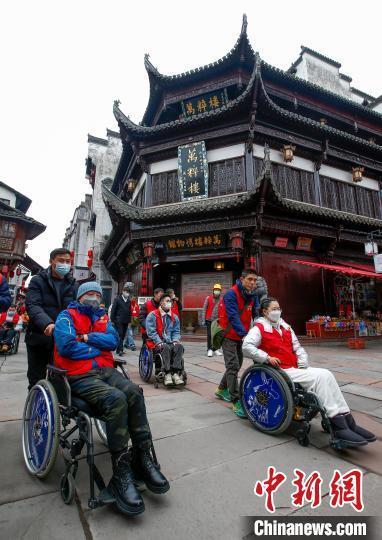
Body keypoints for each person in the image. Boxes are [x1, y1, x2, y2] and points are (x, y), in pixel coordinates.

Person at [54, 281, 169, 516]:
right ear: (80, 296)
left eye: (98, 293)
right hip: (79, 375)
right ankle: (120, 472)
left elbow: (112, 342)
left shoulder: (102, 317)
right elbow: (66, 346)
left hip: (106, 370)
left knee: (135, 392)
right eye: (90, 294)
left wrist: (85, 338)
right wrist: (96, 345)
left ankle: (142, 456)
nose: (95, 297)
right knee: (116, 399)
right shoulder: (65, 317)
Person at [242, 297, 376, 448]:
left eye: (279, 308)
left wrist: (302, 362)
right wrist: (266, 357)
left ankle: (347, 421)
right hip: (280, 370)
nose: (277, 311)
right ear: (265, 312)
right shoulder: (259, 328)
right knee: (319, 378)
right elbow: (246, 347)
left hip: (295, 367)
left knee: (327, 374)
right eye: (274, 309)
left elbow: (298, 347)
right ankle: (338, 426)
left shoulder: (285, 327)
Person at [25, 248, 77, 390]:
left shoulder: (73, 284)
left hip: (63, 339)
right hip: (39, 336)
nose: (65, 264)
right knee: (37, 381)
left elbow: (76, 309)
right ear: (51, 261)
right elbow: (33, 305)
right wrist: (47, 323)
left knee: (60, 381)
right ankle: (35, 410)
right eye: (61, 260)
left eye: (68, 261)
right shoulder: (37, 281)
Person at [214, 269, 258, 418]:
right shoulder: (231, 294)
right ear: (242, 279)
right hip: (228, 335)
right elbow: (233, 316)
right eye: (250, 279)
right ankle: (236, 399)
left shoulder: (252, 295)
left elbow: (256, 313)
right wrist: (245, 335)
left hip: (241, 336)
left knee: (237, 364)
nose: (253, 283)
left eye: (255, 280)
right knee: (233, 366)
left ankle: (221, 389)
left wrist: (260, 328)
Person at [146, 293, 184, 386]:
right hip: (156, 342)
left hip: (170, 341)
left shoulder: (174, 317)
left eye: (170, 301)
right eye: (167, 301)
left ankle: (175, 373)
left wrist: (175, 340)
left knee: (179, 346)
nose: (169, 303)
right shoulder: (152, 315)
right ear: (161, 303)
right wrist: (159, 342)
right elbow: (151, 332)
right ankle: (167, 373)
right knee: (165, 347)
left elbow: (176, 331)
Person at [110, 283, 132, 356]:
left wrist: (129, 321)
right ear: (123, 292)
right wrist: (112, 320)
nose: (127, 293)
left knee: (123, 335)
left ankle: (118, 349)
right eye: (126, 292)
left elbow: (129, 311)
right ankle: (120, 350)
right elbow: (113, 310)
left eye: (128, 292)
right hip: (118, 320)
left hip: (126, 320)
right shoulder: (117, 299)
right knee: (120, 334)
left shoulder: (129, 301)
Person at [201, 283, 223, 357]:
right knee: (210, 335)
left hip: (218, 320)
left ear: (220, 291)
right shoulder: (208, 298)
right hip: (209, 320)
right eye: (216, 290)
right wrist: (203, 320)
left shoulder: (222, 299)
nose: (217, 291)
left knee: (217, 335)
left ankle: (215, 349)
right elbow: (204, 309)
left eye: (218, 290)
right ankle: (209, 349)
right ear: (213, 290)